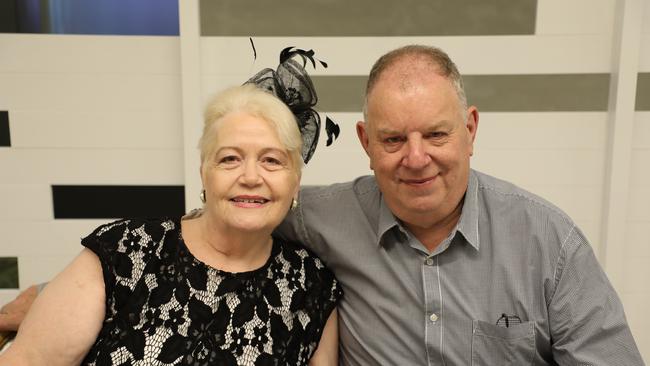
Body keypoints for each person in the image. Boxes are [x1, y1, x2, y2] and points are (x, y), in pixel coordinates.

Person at [1, 45, 645, 365]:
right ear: (365, 143)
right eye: (393, 139)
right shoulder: (319, 220)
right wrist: (59, 294)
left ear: (471, 128)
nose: (415, 157)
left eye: (437, 135)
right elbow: (231, 220)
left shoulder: (547, 243)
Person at [0, 81, 341, 365]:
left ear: (295, 182)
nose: (250, 177)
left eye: (271, 160)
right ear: (204, 174)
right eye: (229, 159)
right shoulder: (128, 251)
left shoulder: (312, 286)